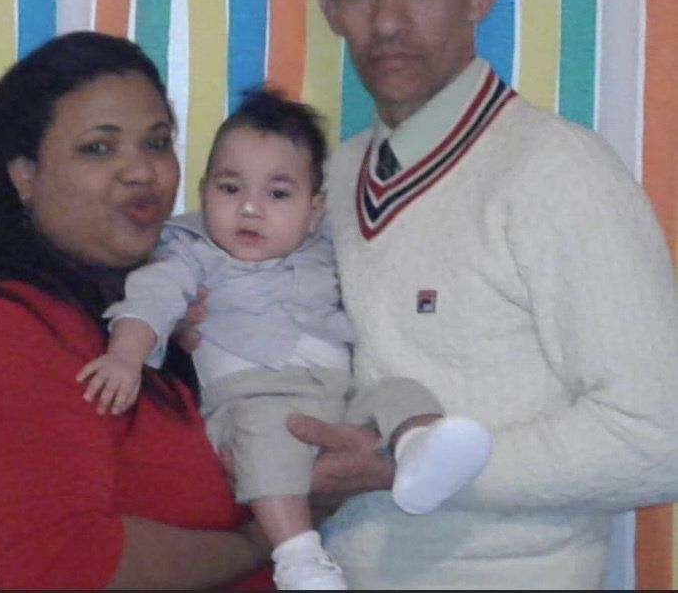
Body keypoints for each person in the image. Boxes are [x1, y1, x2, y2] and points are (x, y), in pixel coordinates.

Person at [279, 0, 678, 589]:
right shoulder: (326, 180)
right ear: (330, 8)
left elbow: (659, 439)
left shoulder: (560, 172)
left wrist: (406, 467)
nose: (388, 19)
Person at [77, 88, 492, 590]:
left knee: (399, 392)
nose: (250, 209)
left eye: (278, 194)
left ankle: (420, 449)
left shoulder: (321, 246)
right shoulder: (190, 251)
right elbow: (151, 299)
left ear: (313, 210)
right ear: (205, 191)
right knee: (265, 439)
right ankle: (299, 557)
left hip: (338, 397)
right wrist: (125, 355)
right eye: (230, 188)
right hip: (248, 400)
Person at [0, 31, 275, 590]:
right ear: (24, 175)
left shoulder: (154, 305)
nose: (141, 171)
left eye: (157, 143)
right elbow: (69, 566)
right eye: (99, 148)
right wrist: (260, 542)